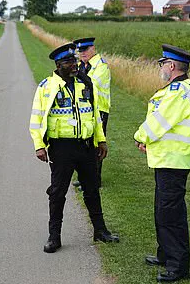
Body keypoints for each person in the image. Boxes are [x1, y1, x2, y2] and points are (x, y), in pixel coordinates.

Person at [29, 43, 119, 253]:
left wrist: (101, 140)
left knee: (92, 189)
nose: (74, 65)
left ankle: (100, 231)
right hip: (61, 148)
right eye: (69, 62)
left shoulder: (85, 83)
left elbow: (95, 115)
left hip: (86, 146)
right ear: (58, 65)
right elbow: (36, 119)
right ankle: (54, 237)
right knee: (57, 193)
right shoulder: (46, 87)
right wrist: (39, 146)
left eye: (75, 61)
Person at [134, 44, 190, 282]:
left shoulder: (178, 92)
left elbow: (159, 123)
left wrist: (140, 137)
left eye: (162, 64)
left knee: (171, 215)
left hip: (174, 161)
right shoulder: (180, 90)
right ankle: (165, 254)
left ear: (171, 66)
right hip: (168, 159)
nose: (161, 68)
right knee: (162, 210)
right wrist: (150, 143)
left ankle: (178, 265)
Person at [72, 37, 111, 189]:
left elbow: (90, 84)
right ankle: (83, 178)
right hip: (85, 110)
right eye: (80, 51)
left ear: (93, 49)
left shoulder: (101, 66)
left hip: (99, 110)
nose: (83, 53)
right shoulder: (81, 65)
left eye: (86, 50)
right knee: (83, 144)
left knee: (96, 145)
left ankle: (94, 181)